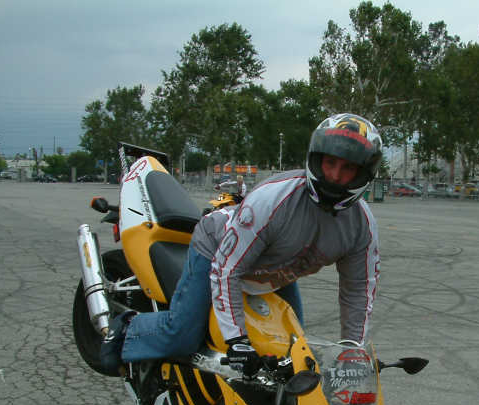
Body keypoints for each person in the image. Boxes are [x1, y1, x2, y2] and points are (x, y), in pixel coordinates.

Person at [101, 113, 383, 377]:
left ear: (363, 174)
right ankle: (125, 329)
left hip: (275, 270)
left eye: (348, 168)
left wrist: (352, 353)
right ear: (316, 159)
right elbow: (227, 269)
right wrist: (237, 340)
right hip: (218, 250)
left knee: (294, 352)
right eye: (330, 163)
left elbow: (358, 291)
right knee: (183, 335)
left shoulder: (362, 226)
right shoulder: (273, 199)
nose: (335, 175)